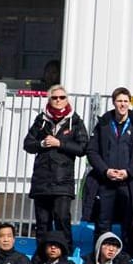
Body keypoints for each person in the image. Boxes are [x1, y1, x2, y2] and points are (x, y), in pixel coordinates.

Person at [24, 87, 89, 247]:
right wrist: (41, 143)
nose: (58, 100)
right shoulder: (41, 120)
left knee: (62, 219)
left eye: (62, 97)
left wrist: (60, 143)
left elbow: (83, 148)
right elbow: (28, 144)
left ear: (67, 99)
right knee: (42, 223)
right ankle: (41, 257)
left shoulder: (75, 121)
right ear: (49, 100)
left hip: (63, 182)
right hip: (41, 180)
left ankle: (65, 254)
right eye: (55, 98)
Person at [83, 88, 133, 243]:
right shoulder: (104, 124)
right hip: (107, 182)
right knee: (103, 224)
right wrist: (105, 171)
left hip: (129, 183)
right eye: (119, 101)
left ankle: (128, 260)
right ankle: (99, 257)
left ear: (130, 103)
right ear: (114, 102)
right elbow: (92, 151)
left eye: (126, 101)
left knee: (129, 225)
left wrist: (129, 172)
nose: (122, 105)